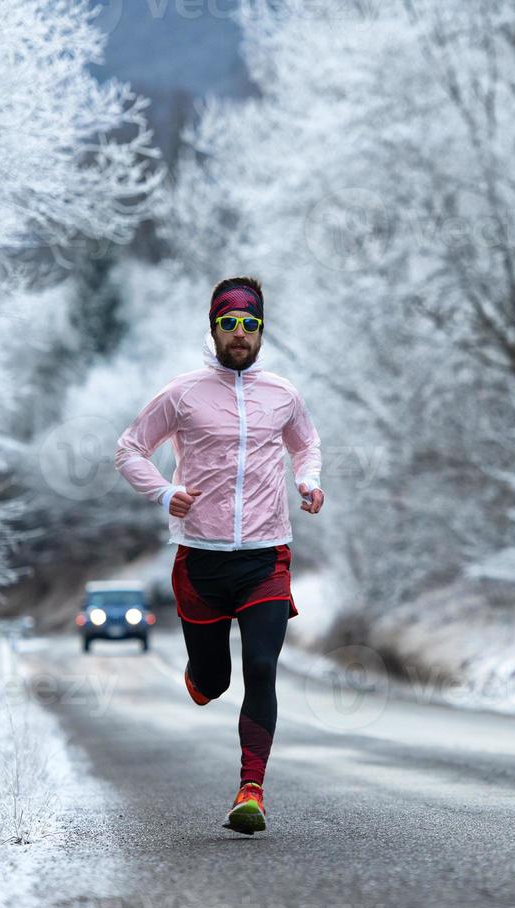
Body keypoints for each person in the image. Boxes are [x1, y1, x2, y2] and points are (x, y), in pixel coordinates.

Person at [114, 276, 324, 835]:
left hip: (265, 556)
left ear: (261, 331)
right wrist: (164, 492)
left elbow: (306, 443)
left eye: (250, 324)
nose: (239, 334)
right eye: (229, 323)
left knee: (262, 666)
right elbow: (129, 449)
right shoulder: (182, 393)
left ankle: (250, 790)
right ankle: (201, 674)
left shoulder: (283, 393)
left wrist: (308, 480)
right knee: (215, 682)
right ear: (213, 328)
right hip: (200, 559)